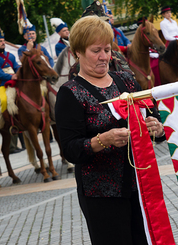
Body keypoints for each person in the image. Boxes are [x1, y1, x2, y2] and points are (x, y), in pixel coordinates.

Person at [55, 15, 165, 245]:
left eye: (107, 49)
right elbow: (71, 149)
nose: (104, 56)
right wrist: (103, 140)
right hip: (102, 194)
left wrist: (157, 128)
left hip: (140, 184)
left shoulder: (126, 80)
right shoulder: (70, 93)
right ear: (77, 52)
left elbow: (153, 115)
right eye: (96, 50)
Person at [0, 16, 21, 113]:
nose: (3, 43)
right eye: (0, 41)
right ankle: (7, 124)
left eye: (3, 40)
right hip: (2, 83)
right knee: (5, 101)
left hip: (16, 81)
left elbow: (16, 66)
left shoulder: (11, 55)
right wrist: (11, 77)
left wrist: (18, 73)